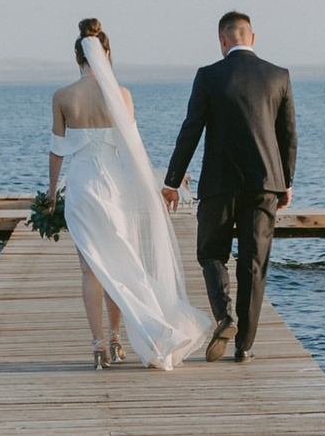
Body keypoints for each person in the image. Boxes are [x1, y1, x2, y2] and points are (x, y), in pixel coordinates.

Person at [46, 21, 209, 371]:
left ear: (78, 57)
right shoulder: (121, 95)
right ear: (106, 54)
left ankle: (97, 345)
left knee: (90, 268)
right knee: (119, 260)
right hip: (114, 187)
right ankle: (117, 337)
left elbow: (57, 150)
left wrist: (50, 193)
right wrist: (152, 189)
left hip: (82, 185)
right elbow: (133, 149)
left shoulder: (62, 96)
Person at [163, 12, 296, 360]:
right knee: (254, 262)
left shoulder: (208, 76)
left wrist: (172, 181)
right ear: (253, 38)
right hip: (265, 183)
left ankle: (225, 317)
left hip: (219, 183)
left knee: (211, 253)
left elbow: (191, 129)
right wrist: (286, 183)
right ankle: (244, 347)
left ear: (222, 40)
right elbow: (287, 135)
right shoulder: (278, 76)